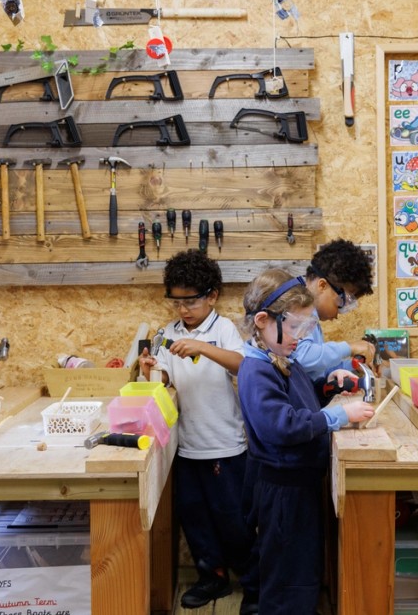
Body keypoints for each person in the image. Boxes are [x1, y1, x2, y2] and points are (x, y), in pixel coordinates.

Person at [237, 269, 374, 615]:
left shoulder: (279, 357)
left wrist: (328, 386)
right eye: (295, 327)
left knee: (301, 573)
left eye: (306, 327)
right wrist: (338, 417)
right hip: (283, 493)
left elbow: (298, 402)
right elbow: (282, 426)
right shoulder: (256, 371)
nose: (300, 336)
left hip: (299, 487)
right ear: (264, 320)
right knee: (287, 581)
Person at [137, 250, 251, 609]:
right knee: (195, 517)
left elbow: (243, 365)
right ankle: (212, 579)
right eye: (176, 302)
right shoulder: (168, 333)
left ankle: (255, 584)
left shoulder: (224, 329)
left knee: (233, 520)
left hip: (225, 445)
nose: (183, 310)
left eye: (191, 301)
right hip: (185, 446)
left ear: (212, 296)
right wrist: (151, 369)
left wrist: (203, 346)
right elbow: (166, 377)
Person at [291, 239, 377, 383]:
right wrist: (349, 347)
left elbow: (318, 370)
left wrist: (355, 365)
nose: (338, 314)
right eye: (340, 302)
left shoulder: (312, 317)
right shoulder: (296, 308)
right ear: (322, 285)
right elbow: (302, 358)